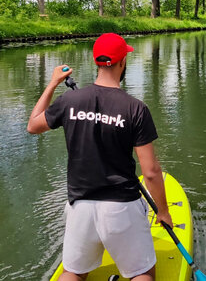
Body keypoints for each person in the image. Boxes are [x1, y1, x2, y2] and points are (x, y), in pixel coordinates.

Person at [27, 33, 172, 281]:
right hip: (122, 208)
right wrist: (163, 211)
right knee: (143, 274)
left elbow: (33, 125)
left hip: (80, 206)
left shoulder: (69, 100)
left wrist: (52, 84)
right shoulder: (135, 108)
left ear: (96, 61)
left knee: (73, 272)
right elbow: (150, 172)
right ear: (122, 62)